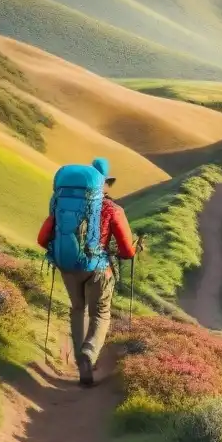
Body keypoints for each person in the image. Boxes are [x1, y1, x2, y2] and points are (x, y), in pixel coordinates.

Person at [37, 157, 138, 386]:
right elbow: (126, 249)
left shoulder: (61, 203)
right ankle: (89, 353)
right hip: (98, 270)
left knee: (77, 309)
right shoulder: (113, 209)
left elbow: (43, 238)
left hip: (68, 267)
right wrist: (128, 252)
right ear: (104, 183)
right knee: (100, 314)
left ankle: (80, 359)